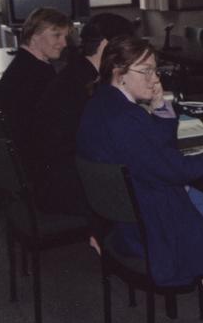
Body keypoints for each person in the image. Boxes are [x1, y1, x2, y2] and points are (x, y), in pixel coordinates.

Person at [76, 36, 203, 287]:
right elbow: (176, 169)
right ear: (119, 72)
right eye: (146, 71)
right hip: (155, 228)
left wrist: (160, 106)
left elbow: (160, 150)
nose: (155, 79)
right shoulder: (126, 117)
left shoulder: (102, 103)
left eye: (156, 70)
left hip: (127, 221)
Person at [34, 13, 137, 215]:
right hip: (67, 185)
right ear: (107, 46)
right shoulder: (88, 85)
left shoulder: (77, 71)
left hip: (53, 175)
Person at [0, 7, 72, 174]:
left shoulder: (23, 64)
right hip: (37, 164)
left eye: (65, 36)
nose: (64, 43)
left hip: (22, 158)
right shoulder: (38, 74)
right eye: (57, 35)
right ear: (34, 35)